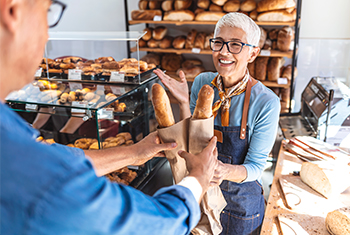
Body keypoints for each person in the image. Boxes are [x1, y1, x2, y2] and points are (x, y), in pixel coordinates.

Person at [0, 0, 219, 234]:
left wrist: (133, 153)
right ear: (13, 11)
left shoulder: (15, 141)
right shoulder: (37, 174)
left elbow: (55, 159)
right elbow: (160, 224)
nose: (46, 35)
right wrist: (198, 178)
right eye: (48, 12)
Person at [154, 12, 280, 235]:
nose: (223, 51)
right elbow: (192, 140)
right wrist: (183, 102)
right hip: (202, 198)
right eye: (219, 42)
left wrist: (221, 170)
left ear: (253, 53)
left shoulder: (267, 102)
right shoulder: (203, 82)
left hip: (242, 206)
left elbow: (256, 167)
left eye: (235, 45)